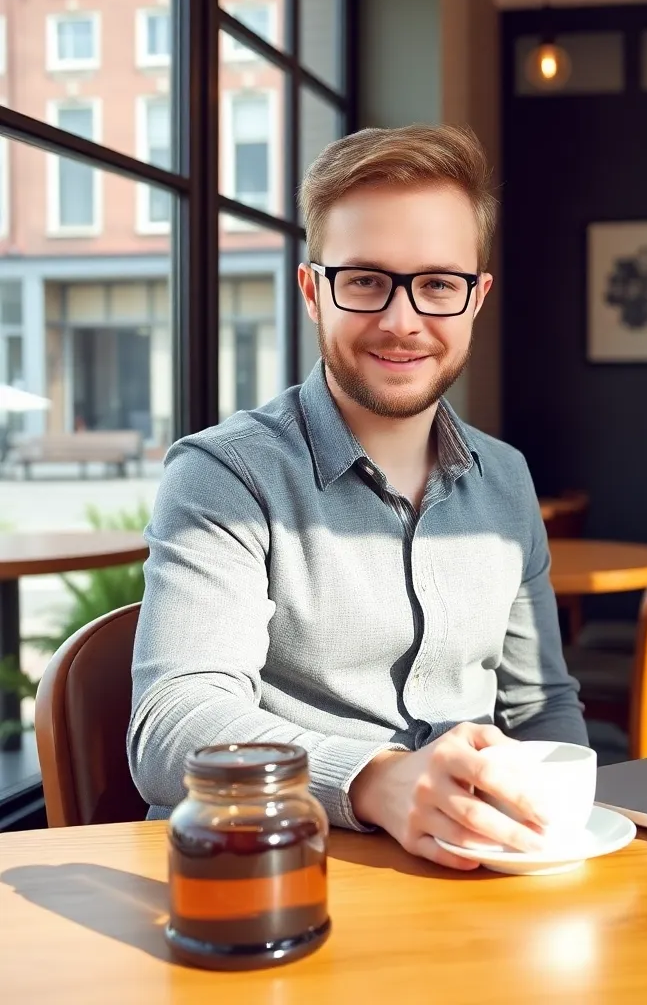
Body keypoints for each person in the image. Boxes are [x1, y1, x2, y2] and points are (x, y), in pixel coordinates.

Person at [128, 123, 589, 870]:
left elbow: (543, 709)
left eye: (438, 284)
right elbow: (172, 729)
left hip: (472, 878)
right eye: (366, 280)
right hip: (272, 877)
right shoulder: (224, 476)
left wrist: (556, 825)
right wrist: (375, 780)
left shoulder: (507, 480)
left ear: (476, 298)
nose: (403, 321)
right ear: (313, 292)